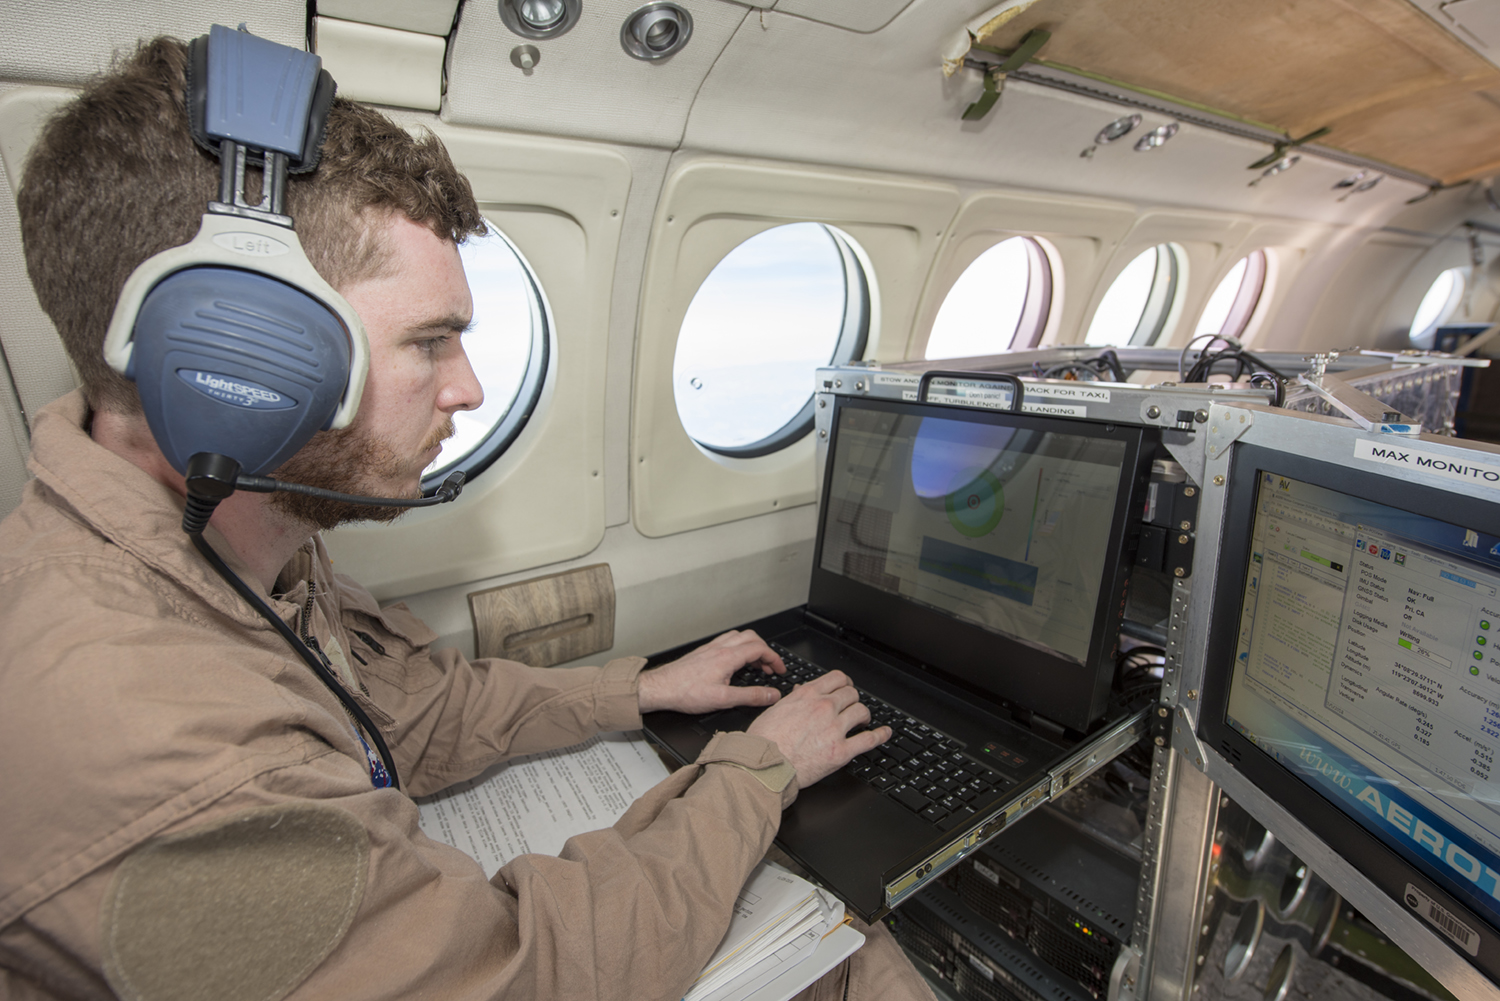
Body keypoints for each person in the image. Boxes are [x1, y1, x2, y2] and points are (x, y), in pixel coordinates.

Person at [0, 35, 936, 1001]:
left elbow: (413, 709)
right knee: (854, 952)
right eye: (431, 340)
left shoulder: (244, 540)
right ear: (244, 366)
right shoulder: (145, 739)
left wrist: (642, 690)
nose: (472, 387)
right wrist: (759, 772)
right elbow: (525, 977)